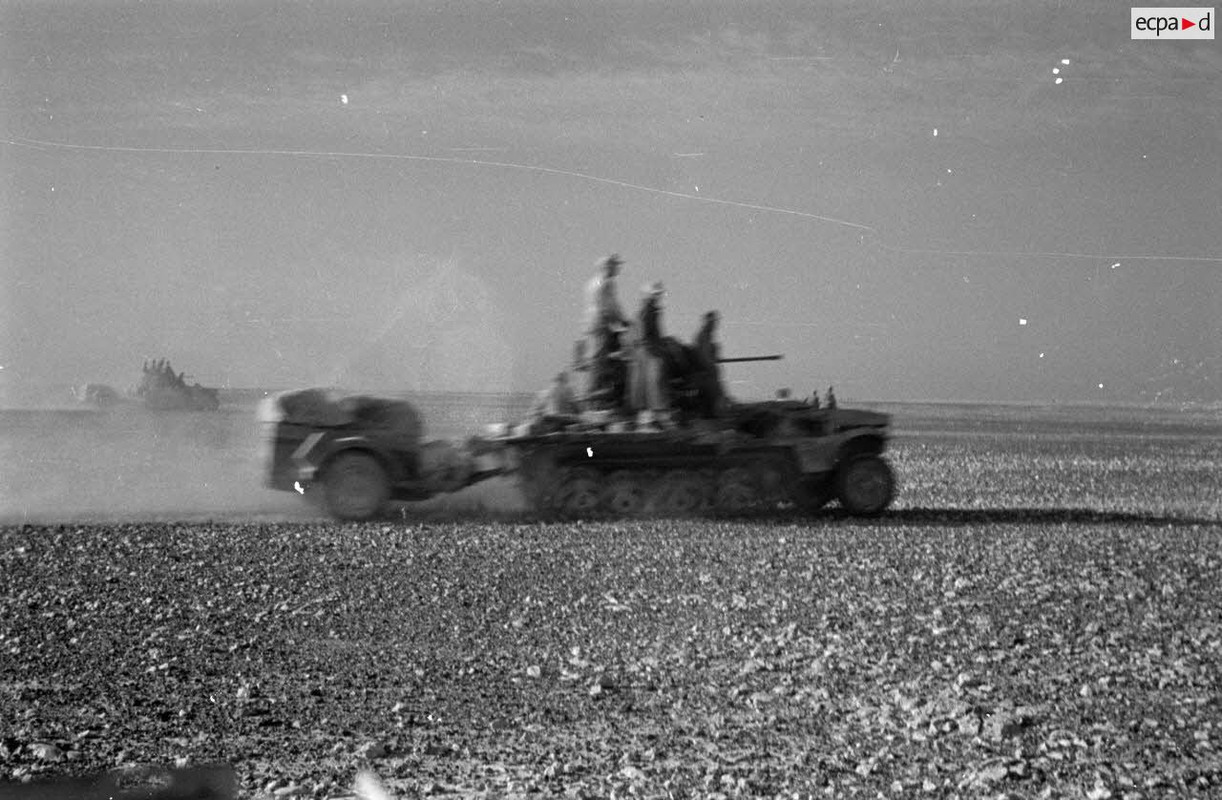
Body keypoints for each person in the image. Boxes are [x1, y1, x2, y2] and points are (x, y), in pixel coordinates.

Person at [582, 254, 629, 407]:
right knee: (600, 360)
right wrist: (623, 321)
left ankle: (592, 396)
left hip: (592, 324)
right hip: (600, 324)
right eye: (616, 266)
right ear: (608, 267)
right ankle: (593, 398)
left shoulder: (592, 283)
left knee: (594, 359)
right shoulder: (607, 283)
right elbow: (611, 306)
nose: (618, 268)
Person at [626, 281, 670, 427]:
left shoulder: (647, 311)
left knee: (646, 385)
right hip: (649, 351)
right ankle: (655, 415)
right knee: (653, 382)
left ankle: (648, 416)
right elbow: (645, 334)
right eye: (657, 294)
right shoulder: (648, 311)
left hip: (645, 350)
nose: (659, 297)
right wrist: (657, 349)